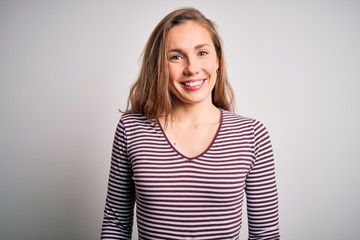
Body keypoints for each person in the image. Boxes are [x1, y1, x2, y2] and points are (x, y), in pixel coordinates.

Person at [101, 7, 280, 240]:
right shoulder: (131, 128)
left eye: (202, 53)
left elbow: (265, 233)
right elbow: (116, 223)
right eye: (176, 56)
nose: (192, 68)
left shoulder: (252, 134)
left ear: (218, 59)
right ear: (159, 66)